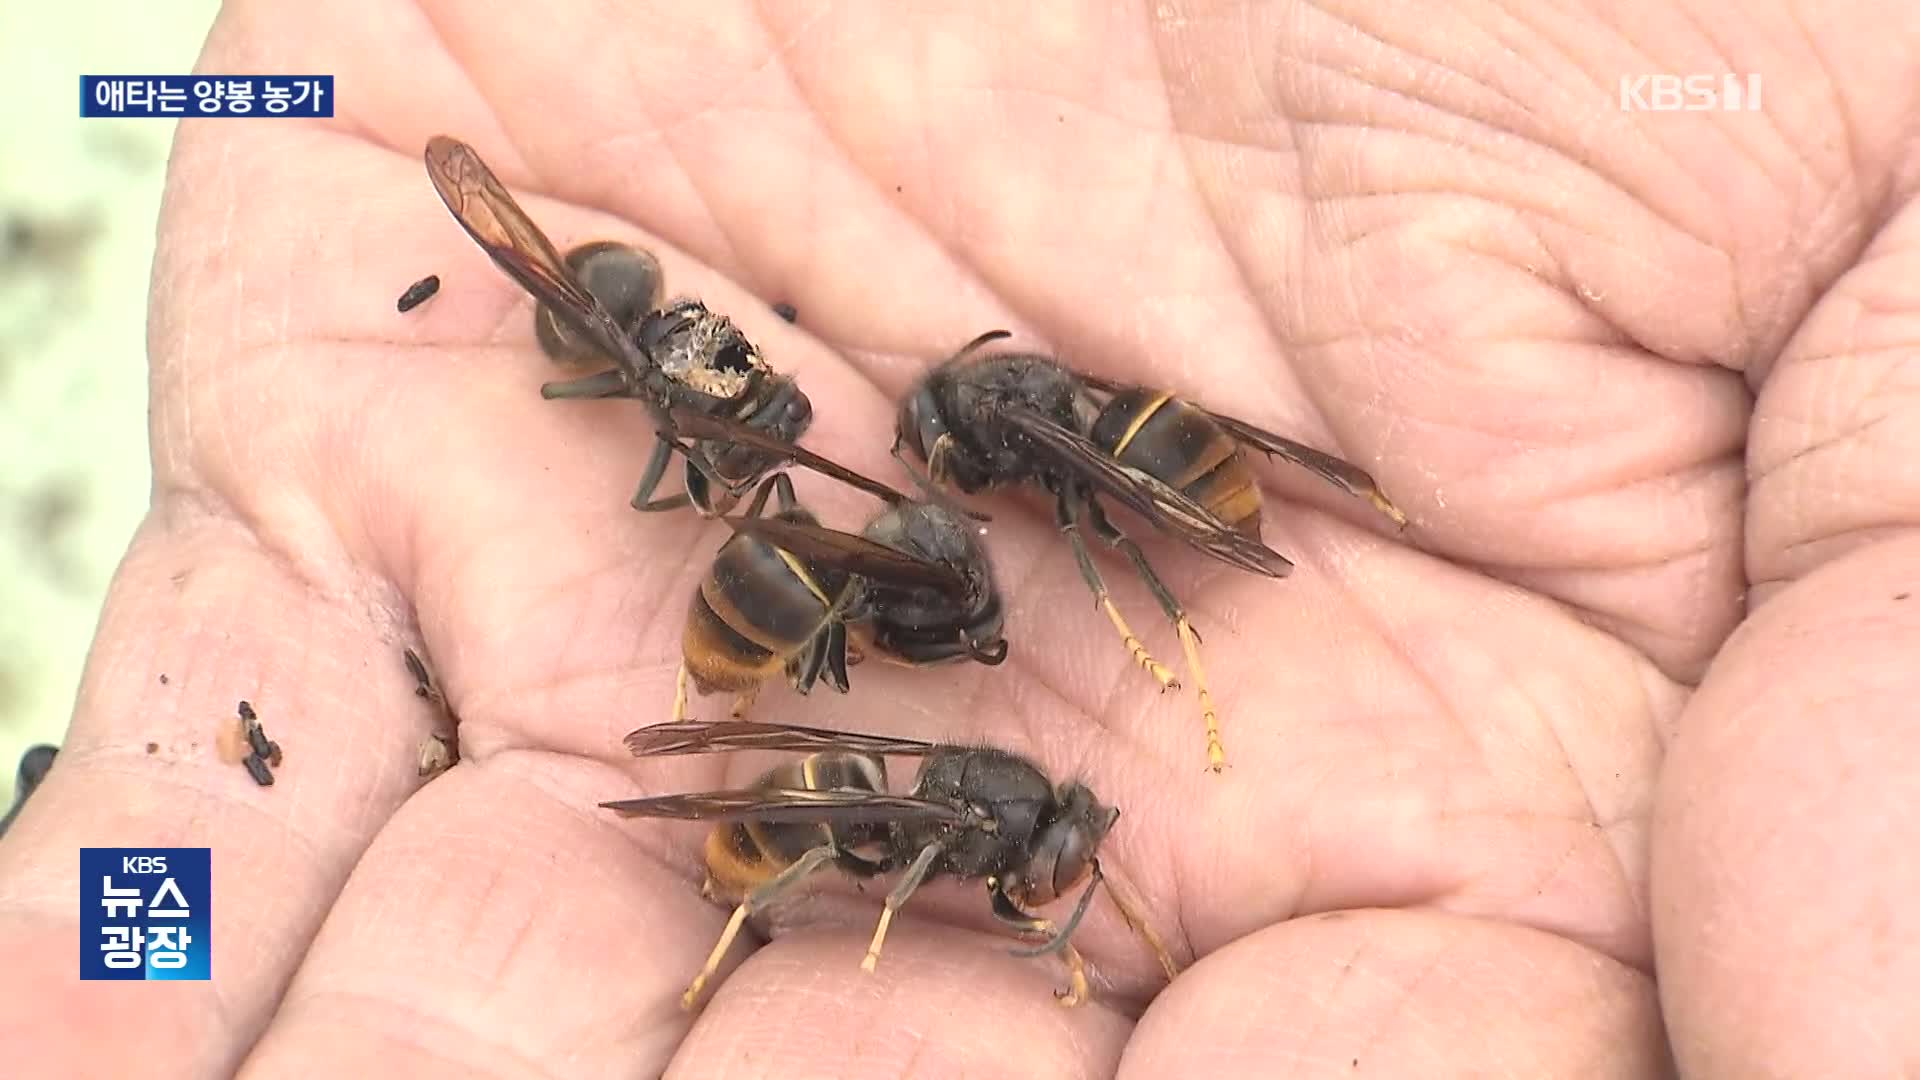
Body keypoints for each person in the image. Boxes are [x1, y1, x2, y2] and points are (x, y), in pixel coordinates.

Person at [3, 4, 1916, 1076]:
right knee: (138, 939)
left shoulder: (951, 529)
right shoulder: (811, 492)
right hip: (788, 602)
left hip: (985, 537)